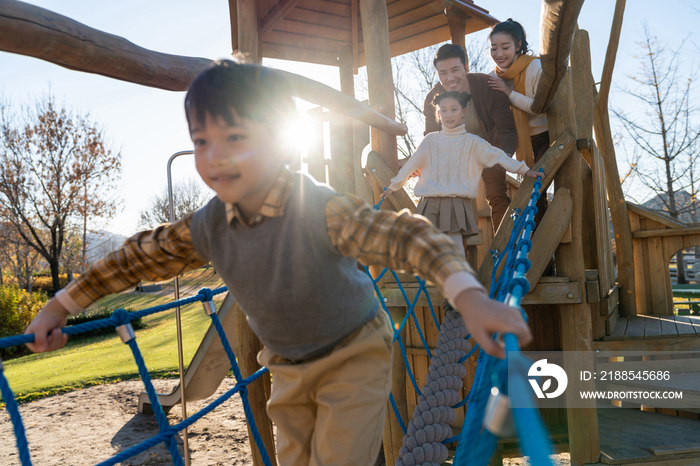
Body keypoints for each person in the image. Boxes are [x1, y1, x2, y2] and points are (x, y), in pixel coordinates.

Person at [24, 61, 532, 466]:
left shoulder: (319, 207)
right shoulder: (208, 225)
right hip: (287, 368)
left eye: (236, 139)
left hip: (355, 352)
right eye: (202, 142)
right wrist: (63, 304)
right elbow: (141, 254)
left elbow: (408, 237)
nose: (215, 157)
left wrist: (468, 297)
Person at [383, 91, 539, 251]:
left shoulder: (473, 143)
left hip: (456, 202)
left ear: (464, 111)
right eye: (443, 110)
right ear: (438, 113)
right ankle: (435, 277)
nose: (448, 114)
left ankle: (459, 275)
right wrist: (394, 186)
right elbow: (411, 164)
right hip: (430, 203)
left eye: (454, 109)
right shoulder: (430, 141)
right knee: (428, 250)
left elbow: (499, 156)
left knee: (455, 248)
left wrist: (524, 170)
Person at [422, 44, 518, 234]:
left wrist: (505, 154)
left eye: (455, 70)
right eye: (443, 73)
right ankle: (457, 251)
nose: (450, 78)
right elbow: (431, 137)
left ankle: (505, 249)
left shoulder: (487, 86)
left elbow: (506, 128)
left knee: (497, 194)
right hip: (455, 152)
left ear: (465, 68)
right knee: (449, 199)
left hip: (487, 146)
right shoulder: (433, 98)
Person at [488, 19, 550, 224]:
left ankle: (544, 249)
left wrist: (509, 93)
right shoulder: (492, 78)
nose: (499, 54)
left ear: (518, 46)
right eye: (494, 48)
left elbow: (541, 107)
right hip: (517, 142)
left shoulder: (535, 67)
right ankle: (535, 251)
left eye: (505, 47)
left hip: (544, 138)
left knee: (535, 188)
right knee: (530, 194)